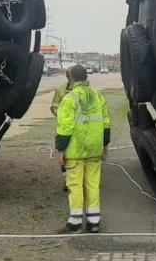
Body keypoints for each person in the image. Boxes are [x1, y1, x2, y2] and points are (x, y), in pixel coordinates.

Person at [54, 65, 110, 233]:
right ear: (86, 76)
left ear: (70, 78)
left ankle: (75, 222)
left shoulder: (70, 99)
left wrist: (60, 150)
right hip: (94, 149)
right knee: (93, 184)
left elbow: (65, 127)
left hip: (76, 151)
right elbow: (106, 123)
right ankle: (94, 222)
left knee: (75, 185)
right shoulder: (98, 96)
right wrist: (105, 146)